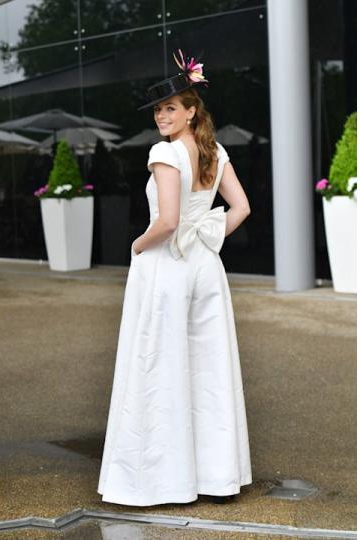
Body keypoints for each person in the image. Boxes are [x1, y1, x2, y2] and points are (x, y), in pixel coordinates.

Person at [97, 49, 253, 507]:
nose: (162, 116)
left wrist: (137, 245)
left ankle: (161, 480)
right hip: (205, 266)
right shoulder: (215, 151)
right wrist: (207, 234)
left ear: (191, 111)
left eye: (171, 108)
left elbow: (165, 222)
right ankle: (216, 477)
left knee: (158, 363)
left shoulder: (165, 153)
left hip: (167, 266)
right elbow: (241, 208)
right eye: (159, 110)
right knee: (209, 367)